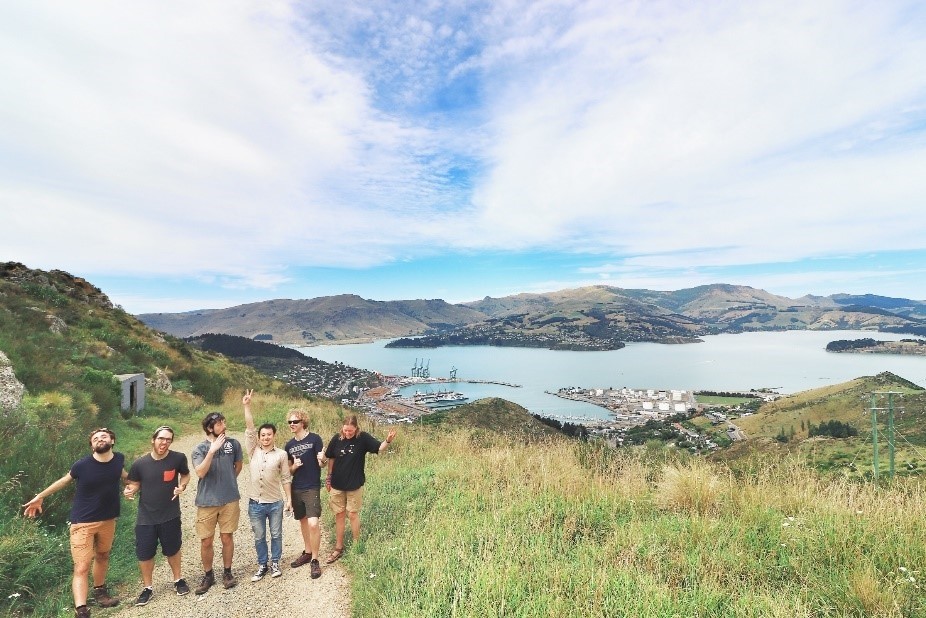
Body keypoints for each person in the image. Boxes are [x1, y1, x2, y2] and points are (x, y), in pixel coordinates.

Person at [22, 427, 128, 618]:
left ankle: (100, 592)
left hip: (108, 519)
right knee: (82, 565)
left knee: (103, 555)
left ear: (112, 441)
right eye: (95, 438)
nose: (100, 439)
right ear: (92, 446)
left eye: (104, 436)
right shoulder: (82, 465)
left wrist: (138, 485)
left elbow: (125, 477)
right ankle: (81, 609)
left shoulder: (118, 460)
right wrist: (40, 496)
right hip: (82, 523)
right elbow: (63, 481)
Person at [123, 425, 192, 606]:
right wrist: (130, 491)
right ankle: (148, 588)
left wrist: (182, 486)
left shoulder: (178, 458)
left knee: (173, 549)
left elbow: (185, 475)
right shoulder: (140, 463)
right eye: (161, 439)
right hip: (146, 517)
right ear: (153, 439)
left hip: (170, 514)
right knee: (145, 554)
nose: (164, 443)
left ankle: (178, 580)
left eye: (168, 439)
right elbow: (135, 484)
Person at [322, 415, 396, 564]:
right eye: (345, 430)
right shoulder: (337, 439)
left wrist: (387, 440)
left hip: (354, 484)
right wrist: (328, 477)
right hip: (337, 484)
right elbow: (330, 458)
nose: (348, 433)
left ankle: (357, 544)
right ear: (342, 428)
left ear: (356, 428)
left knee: (353, 514)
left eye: (351, 431)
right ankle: (338, 547)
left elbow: (379, 448)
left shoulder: (363, 438)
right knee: (340, 514)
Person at [241, 389, 292, 581]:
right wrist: (247, 406)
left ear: (274, 436)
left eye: (269, 435)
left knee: (276, 534)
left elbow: (286, 478)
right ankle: (262, 564)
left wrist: (289, 500)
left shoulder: (281, 455)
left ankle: (275, 562)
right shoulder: (253, 450)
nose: (265, 437)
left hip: (275, 502)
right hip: (255, 503)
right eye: (263, 435)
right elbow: (249, 428)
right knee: (259, 536)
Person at [191, 410, 243, 594]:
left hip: (230, 499)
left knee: (227, 537)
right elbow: (200, 472)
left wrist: (229, 480)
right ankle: (208, 575)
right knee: (206, 541)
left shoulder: (234, 444)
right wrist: (212, 451)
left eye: (224, 422)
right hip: (207, 502)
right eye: (220, 424)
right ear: (209, 428)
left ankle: (227, 573)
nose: (224, 426)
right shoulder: (200, 449)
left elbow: (238, 466)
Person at [284, 407, 325, 579]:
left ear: (303, 423)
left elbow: (322, 463)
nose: (292, 424)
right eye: (290, 422)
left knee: (313, 523)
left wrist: (322, 460)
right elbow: (288, 472)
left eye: (295, 421)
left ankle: (315, 560)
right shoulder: (289, 445)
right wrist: (294, 466)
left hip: (312, 486)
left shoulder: (315, 439)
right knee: (302, 521)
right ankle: (307, 552)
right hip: (297, 487)